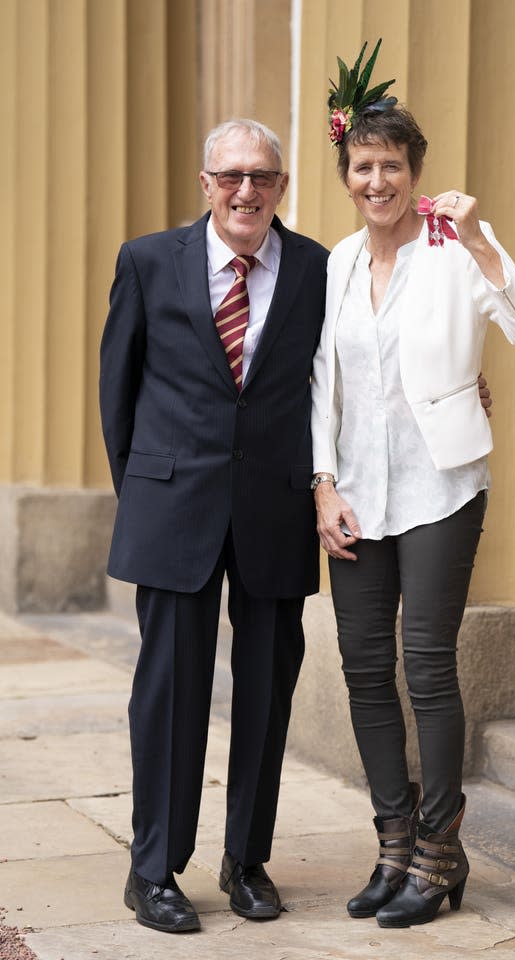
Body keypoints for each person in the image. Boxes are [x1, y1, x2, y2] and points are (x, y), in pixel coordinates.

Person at [311, 42, 515, 930]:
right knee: (364, 669)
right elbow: (317, 386)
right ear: (346, 174)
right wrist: (322, 484)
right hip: (357, 495)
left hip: (444, 486)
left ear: (417, 172)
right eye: (363, 166)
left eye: (392, 166)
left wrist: (487, 244)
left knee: (425, 666)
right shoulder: (336, 264)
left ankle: (441, 851)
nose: (378, 180)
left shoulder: (455, 249)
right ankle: (393, 845)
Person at [99, 119, 329, 932]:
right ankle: (152, 869)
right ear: (205, 184)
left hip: (274, 509)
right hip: (173, 509)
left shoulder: (314, 269)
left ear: (281, 187)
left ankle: (247, 860)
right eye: (231, 175)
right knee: (167, 696)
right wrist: (147, 495)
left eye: (263, 176)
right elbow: (117, 390)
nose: (246, 190)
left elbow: (349, 370)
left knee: (266, 694)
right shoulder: (147, 260)